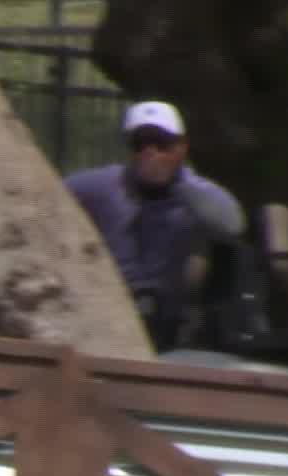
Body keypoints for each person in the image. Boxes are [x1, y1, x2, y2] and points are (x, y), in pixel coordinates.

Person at [64, 100, 247, 351]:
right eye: (140, 144)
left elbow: (232, 224)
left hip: (168, 320)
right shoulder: (103, 185)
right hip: (108, 310)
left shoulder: (196, 194)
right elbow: (49, 195)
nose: (151, 152)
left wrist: (175, 185)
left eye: (162, 143)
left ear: (181, 148)